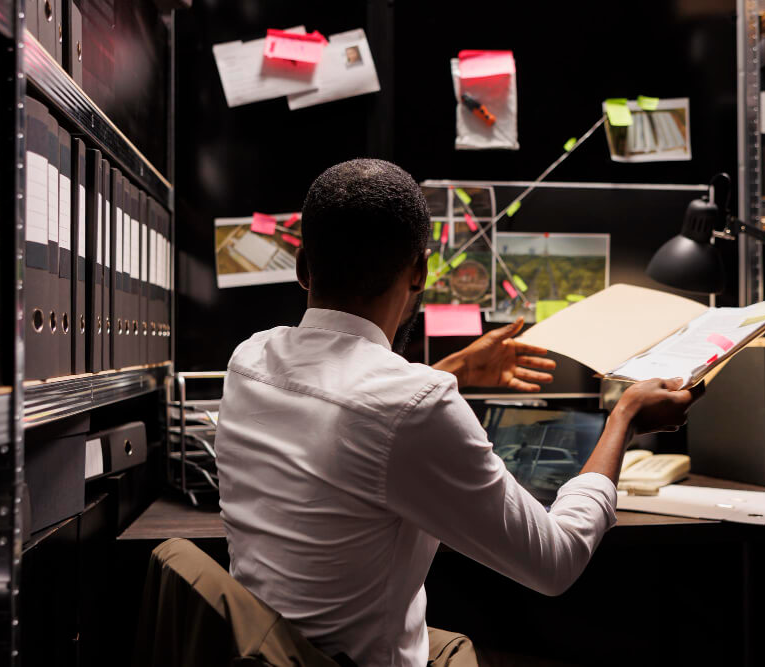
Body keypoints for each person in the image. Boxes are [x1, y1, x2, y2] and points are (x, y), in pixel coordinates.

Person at [215, 159, 701, 667]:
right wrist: (623, 418)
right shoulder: (413, 405)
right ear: (422, 271)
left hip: (269, 650)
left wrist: (455, 370)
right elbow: (556, 562)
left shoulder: (249, 359)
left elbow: (355, 407)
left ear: (302, 266)